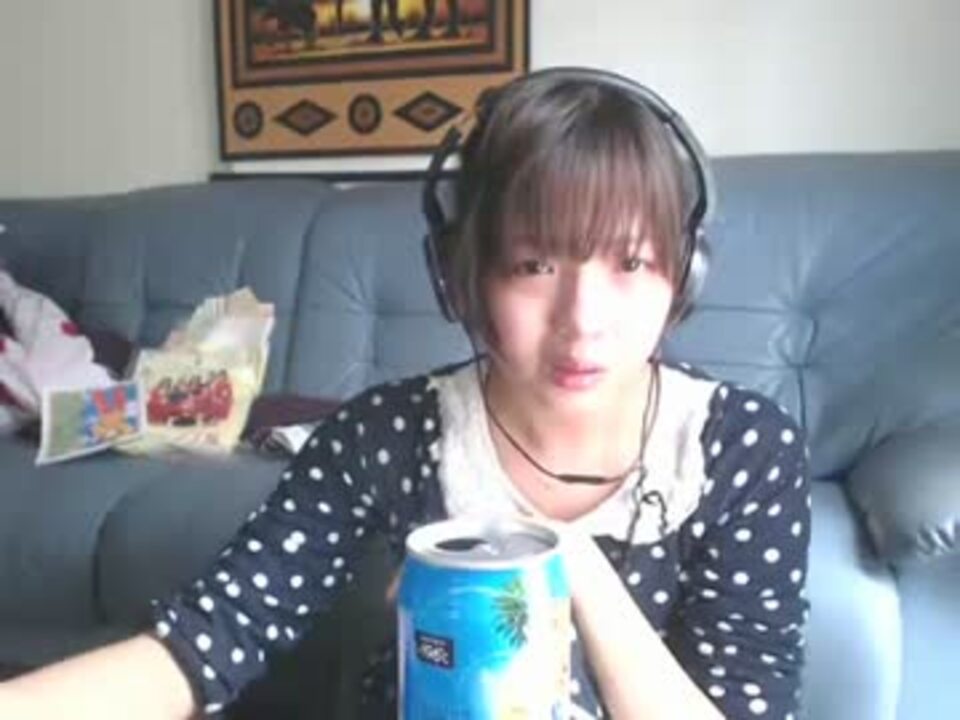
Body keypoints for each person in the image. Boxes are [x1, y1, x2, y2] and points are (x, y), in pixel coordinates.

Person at [0, 68, 810, 719]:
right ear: (463, 276)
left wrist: (566, 564)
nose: (583, 322)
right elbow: (211, 638)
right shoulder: (390, 433)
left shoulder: (741, 449)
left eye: (630, 263)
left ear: (684, 274)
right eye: (534, 266)